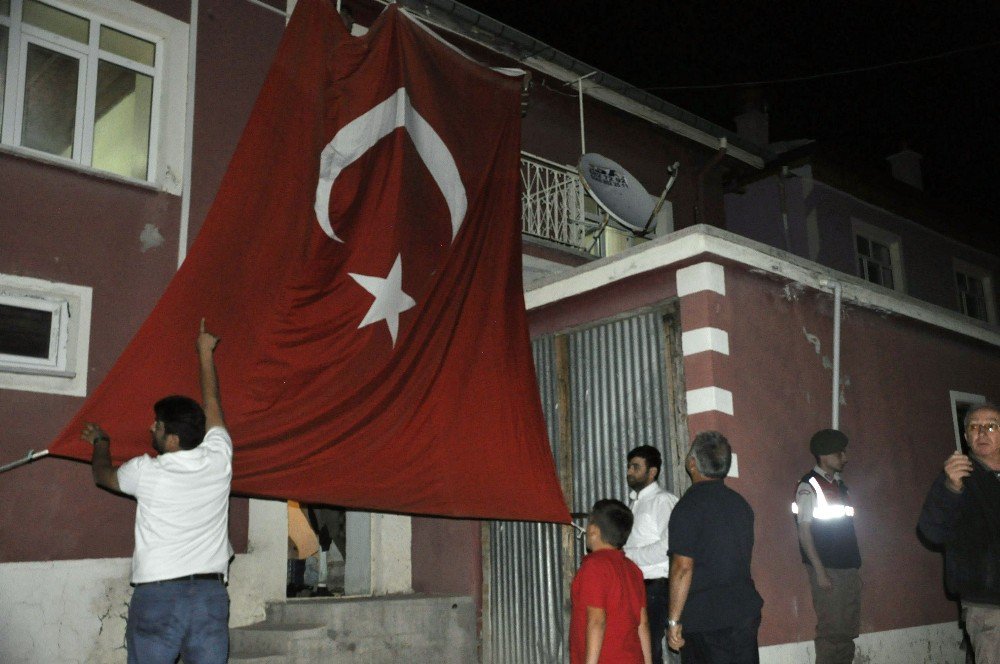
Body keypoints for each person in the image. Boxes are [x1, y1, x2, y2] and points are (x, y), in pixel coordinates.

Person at [81, 319, 233, 664]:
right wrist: (205, 352)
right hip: (210, 597)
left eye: (158, 425)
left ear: (173, 439)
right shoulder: (219, 458)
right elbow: (212, 404)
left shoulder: (146, 471)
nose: (151, 427)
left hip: (160, 598)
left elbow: (103, 476)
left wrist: (102, 442)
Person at [666, 431, 763, 663]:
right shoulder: (740, 504)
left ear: (692, 464)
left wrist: (673, 621)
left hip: (706, 620)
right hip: (743, 612)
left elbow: (683, 567)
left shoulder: (688, 507)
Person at [919, 401, 1000, 664]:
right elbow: (931, 532)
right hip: (988, 605)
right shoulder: (959, 477)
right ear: (966, 437)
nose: (982, 432)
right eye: (974, 427)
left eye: (991, 426)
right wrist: (950, 489)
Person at [793, 429, 862, 664]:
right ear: (824, 456)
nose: (845, 457)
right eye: (839, 453)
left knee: (847, 631)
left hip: (847, 566)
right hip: (829, 569)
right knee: (832, 632)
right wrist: (820, 571)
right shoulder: (809, 486)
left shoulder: (840, 486)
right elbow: (804, 531)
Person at [570, 498, 653, 664]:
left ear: (593, 530)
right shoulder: (633, 570)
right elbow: (642, 624)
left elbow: (596, 621)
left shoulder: (594, 566)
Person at [624, 445, 680, 663]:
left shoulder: (662, 501)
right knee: (638, 647)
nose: (630, 471)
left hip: (655, 588)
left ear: (652, 472)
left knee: (648, 648)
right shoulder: (634, 504)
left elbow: (669, 547)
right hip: (637, 586)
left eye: (636, 467)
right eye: (629, 466)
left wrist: (627, 556)